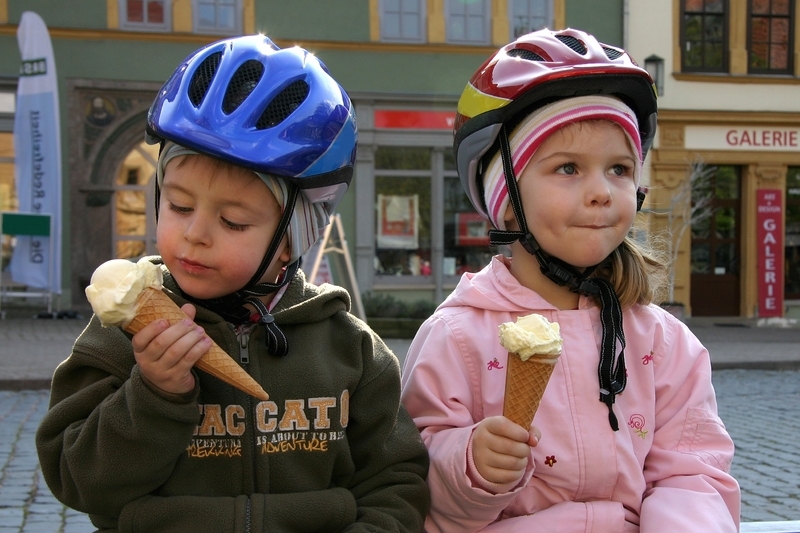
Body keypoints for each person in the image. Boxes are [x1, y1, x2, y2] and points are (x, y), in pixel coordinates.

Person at [36, 35, 430, 533]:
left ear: (291, 239)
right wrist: (154, 396)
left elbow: (396, 483)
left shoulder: (352, 353)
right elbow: (77, 479)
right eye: (178, 206)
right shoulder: (117, 338)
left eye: (234, 221)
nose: (195, 234)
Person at [400, 28, 740, 532]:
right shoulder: (457, 339)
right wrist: (468, 463)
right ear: (508, 198)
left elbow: (693, 473)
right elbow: (414, 485)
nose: (602, 191)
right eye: (568, 168)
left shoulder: (663, 344)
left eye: (620, 169)